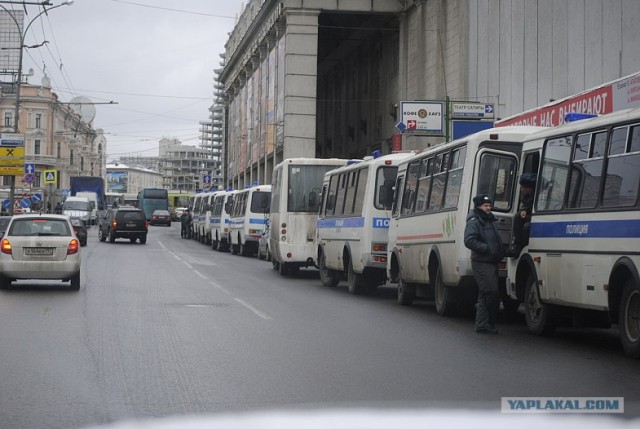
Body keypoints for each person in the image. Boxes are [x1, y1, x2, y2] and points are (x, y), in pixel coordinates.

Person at [464, 194, 504, 334]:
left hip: (491, 261)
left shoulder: (490, 219)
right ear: (479, 206)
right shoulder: (475, 221)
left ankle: (482, 324)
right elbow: (469, 240)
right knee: (491, 292)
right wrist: (487, 249)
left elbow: (494, 240)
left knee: (485, 292)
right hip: (481, 262)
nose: (488, 208)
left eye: (489, 205)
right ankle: (488, 323)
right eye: (486, 206)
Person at [512, 172, 536, 254]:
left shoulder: (538, 197)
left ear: (529, 188)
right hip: (528, 217)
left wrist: (526, 216)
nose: (521, 189)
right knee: (517, 217)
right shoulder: (526, 197)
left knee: (527, 226)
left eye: (523, 187)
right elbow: (523, 209)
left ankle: (524, 246)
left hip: (536, 219)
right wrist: (521, 213)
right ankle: (518, 245)